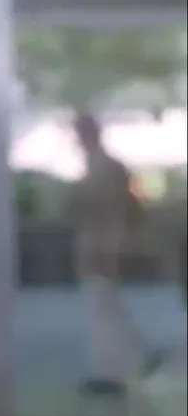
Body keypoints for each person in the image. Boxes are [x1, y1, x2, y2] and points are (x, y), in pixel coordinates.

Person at [70, 114, 166, 396]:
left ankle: (113, 371)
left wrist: (116, 244)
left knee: (101, 305)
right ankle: (138, 356)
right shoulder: (101, 165)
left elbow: (116, 209)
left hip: (102, 245)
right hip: (100, 243)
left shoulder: (104, 167)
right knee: (106, 304)